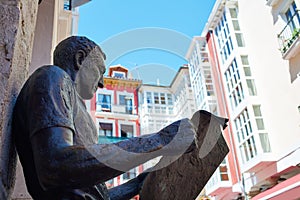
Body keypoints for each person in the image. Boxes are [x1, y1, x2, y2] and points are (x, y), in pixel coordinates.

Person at [12, 36, 196, 200]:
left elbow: (96, 194)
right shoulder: (52, 77)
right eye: (100, 71)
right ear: (80, 59)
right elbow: (55, 165)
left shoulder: (78, 106)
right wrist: (160, 140)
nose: (101, 82)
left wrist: (138, 183)